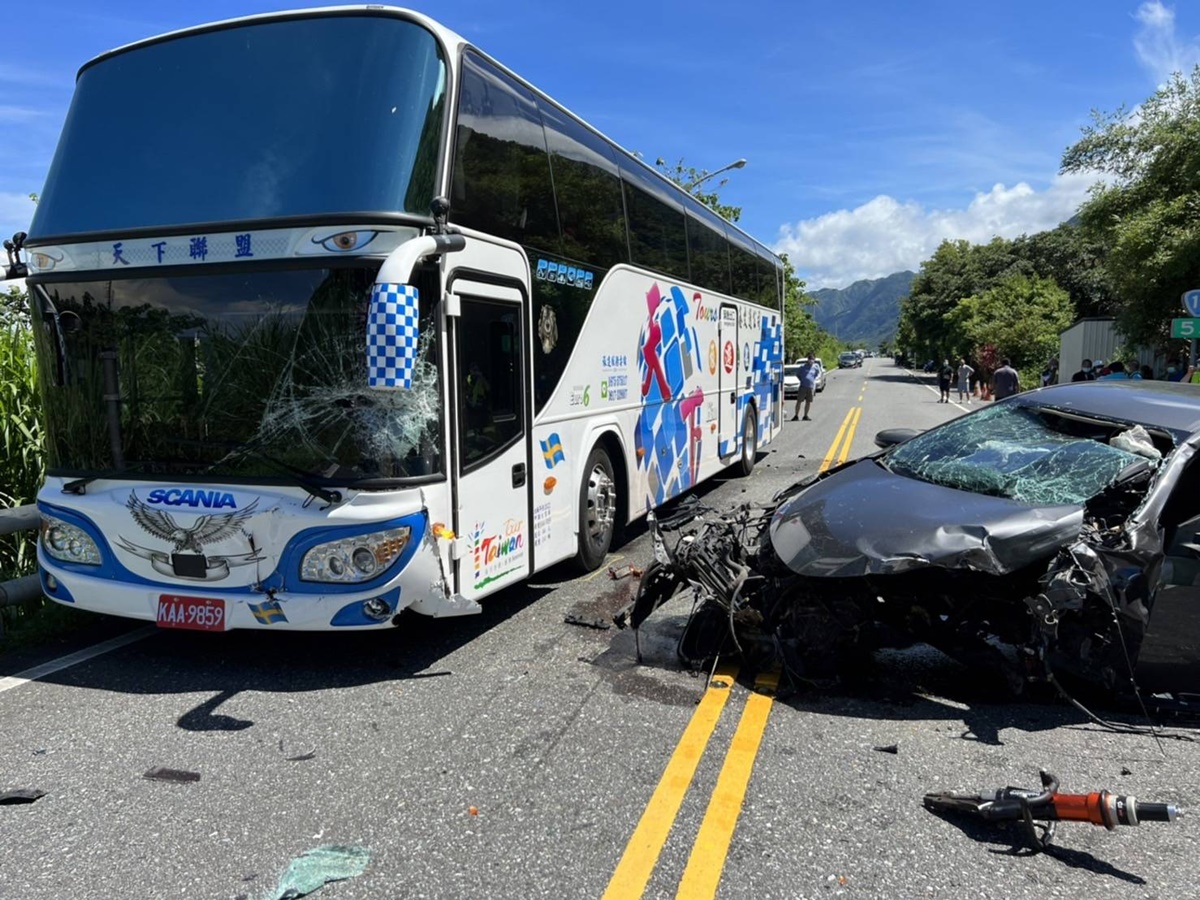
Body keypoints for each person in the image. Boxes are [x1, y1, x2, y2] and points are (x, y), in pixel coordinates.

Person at [790, 353, 819, 421]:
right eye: (810, 359)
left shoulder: (815, 367)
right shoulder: (802, 367)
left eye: (813, 360)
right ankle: (796, 415)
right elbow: (798, 375)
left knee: (808, 402)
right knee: (799, 401)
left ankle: (805, 415)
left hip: (810, 387)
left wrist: (811, 380)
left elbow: (816, 374)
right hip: (803, 386)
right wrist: (803, 380)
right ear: (808, 360)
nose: (811, 361)